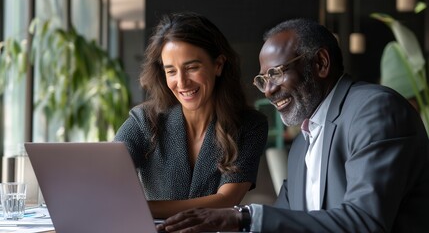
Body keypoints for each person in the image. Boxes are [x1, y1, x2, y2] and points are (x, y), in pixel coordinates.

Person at [156, 18, 429, 232]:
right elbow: (284, 222)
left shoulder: (373, 110)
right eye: (263, 80)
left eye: (275, 73)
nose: (268, 90)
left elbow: (365, 222)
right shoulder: (302, 144)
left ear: (321, 63)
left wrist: (242, 216)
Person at [113, 12, 268, 219]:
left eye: (192, 67)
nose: (182, 82)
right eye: (171, 71)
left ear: (218, 65)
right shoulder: (143, 120)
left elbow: (225, 201)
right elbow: (108, 176)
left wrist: (138, 208)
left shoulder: (250, 125)